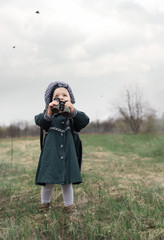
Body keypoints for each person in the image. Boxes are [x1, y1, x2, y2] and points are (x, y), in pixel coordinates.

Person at [34, 81, 90, 213]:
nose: (61, 97)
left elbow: (85, 121)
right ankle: (44, 206)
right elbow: (39, 121)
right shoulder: (49, 116)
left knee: (67, 181)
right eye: (57, 96)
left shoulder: (73, 116)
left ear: (71, 99)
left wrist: (72, 111)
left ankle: (69, 207)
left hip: (68, 153)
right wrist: (49, 111)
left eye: (65, 95)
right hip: (52, 154)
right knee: (48, 180)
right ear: (50, 100)